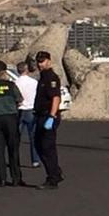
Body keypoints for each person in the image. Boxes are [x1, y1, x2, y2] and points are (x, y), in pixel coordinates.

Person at [34, 51, 64, 190]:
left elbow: (56, 98)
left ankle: (52, 178)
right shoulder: (42, 77)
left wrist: (51, 117)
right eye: (39, 61)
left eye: (43, 61)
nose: (40, 64)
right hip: (40, 115)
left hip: (48, 116)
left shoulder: (51, 77)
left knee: (47, 147)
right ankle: (55, 172)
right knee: (39, 146)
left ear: (49, 61)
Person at [14, 61, 40, 168]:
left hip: (19, 110)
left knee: (16, 138)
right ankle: (35, 160)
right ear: (27, 69)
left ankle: (15, 160)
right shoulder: (34, 82)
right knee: (33, 137)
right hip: (31, 110)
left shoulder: (15, 82)